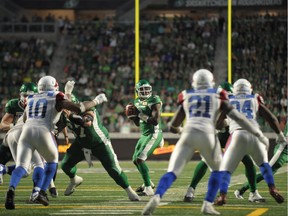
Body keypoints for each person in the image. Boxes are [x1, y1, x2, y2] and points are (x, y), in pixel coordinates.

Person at [141, 69, 269, 215]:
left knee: (172, 171)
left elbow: (172, 126)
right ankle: (207, 204)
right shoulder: (219, 95)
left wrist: (183, 131)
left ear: (194, 82)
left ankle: (157, 196)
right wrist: (258, 134)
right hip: (209, 135)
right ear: (211, 82)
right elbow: (238, 118)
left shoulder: (187, 95)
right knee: (217, 170)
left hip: (189, 133)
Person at [5, 76, 108, 210]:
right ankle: (41, 192)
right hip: (43, 130)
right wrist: (96, 101)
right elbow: (79, 108)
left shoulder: (31, 98)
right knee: (52, 162)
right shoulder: (56, 96)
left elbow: (25, 118)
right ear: (55, 86)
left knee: (22, 167)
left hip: (26, 132)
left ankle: (11, 189)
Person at [184, 82, 264, 204]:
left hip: (230, 135)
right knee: (206, 160)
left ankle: (253, 193)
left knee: (248, 162)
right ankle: (191, 189)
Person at [60, 84, 140, 201]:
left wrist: (71, 115)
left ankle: (129, 190)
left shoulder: (87, 109)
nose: (65, 109)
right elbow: (62, 123)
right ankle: (74, 180)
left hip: (100, 143)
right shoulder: (63, 114)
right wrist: (64, 133)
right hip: (81, 143)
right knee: (65, 165)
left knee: (113, 170)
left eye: (68, 106)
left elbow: (87, 122)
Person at [216, 79, 286, 204]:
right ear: (250, 88)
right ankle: (272, 188)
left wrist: (225, 122)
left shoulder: (229, 100)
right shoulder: (255, 98)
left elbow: (218, 124)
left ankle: (222, 195)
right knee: (264, 165)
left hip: (237, 135)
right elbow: (271, 118)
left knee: (226, 169)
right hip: (256, 135)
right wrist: (280, 134)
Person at [127, 79, 164, 196]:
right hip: (144, 134)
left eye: (147, 89)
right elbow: (138, 123)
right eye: (142, 90)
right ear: (137, 91)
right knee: (135, 160)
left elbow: (155, 121)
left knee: (140, 159)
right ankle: (148, 183)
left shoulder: (154, 100)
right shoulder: (137, 101)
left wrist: (139, 114)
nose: (145, 92)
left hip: (154, 133)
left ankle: (148, 189)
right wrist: (133, 117)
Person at [0, 82, 39, 183]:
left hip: (26, 140)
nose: (28, 98)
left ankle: (2, 169)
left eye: (31, 96)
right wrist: (14, 126)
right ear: (20, 95)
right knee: (25, 170)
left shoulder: (39, 107)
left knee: (26, 169)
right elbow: (2, 125)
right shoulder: (14, 105)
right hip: (14, 138)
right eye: (25, 95)